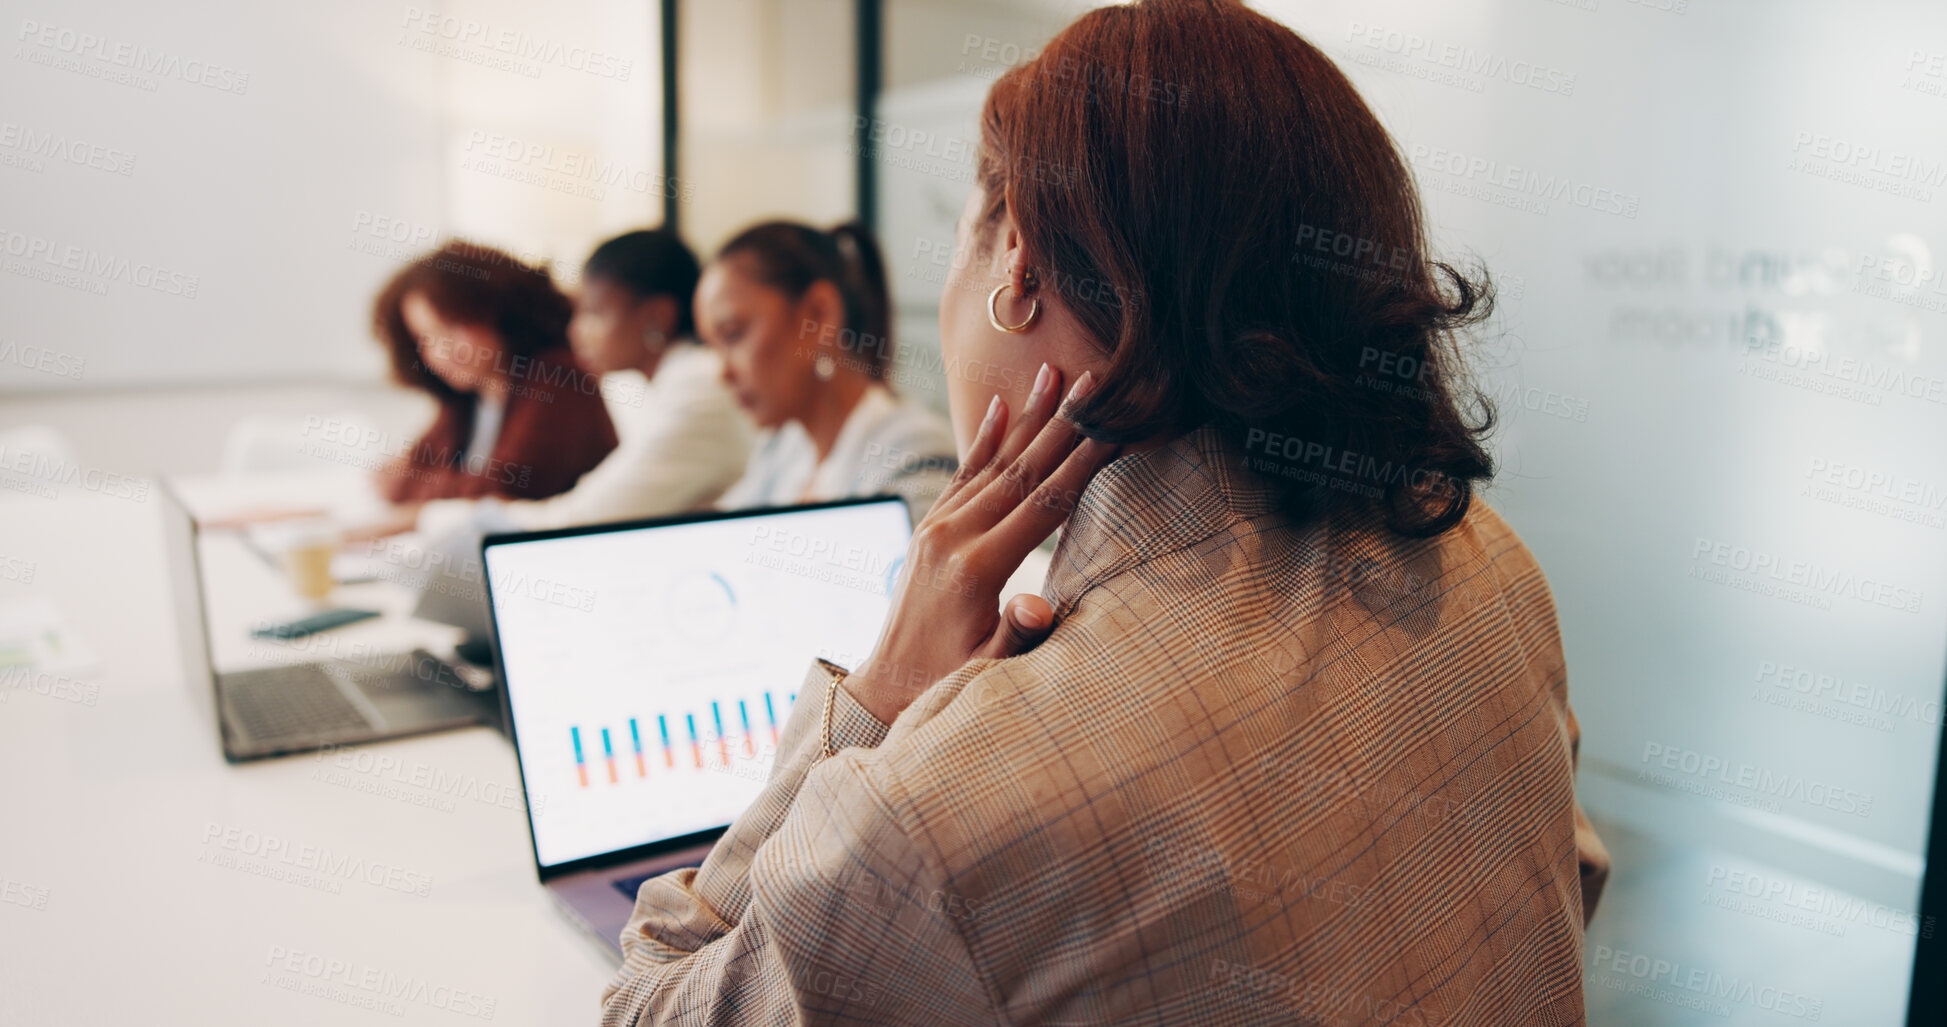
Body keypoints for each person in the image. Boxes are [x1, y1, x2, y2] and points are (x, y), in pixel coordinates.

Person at [601, 2, 1609, 1025]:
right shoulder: (1490, 567)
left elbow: (647, 1006)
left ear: (1018, 268)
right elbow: (1563, 890)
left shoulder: (941, 807)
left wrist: (881, 696)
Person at [408, 229, 753, 539]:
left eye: (595, 314)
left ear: (657, 316)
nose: (576, 332)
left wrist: (436, 516)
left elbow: (582, 517)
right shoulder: (667, 386)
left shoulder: (698, 386)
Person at [698, 220, 957, 522]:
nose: (723, 373)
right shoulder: (784, 447)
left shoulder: (917, 454)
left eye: (733, 335)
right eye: (713, 347)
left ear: (819, 314)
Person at [370, 241, 616, 507]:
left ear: (498, 311)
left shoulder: (558, 379)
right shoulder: (468, 397)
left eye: (453, 327)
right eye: (426, 339)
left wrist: (420, 490)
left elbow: (499, 490)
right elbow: (401, 477)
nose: (441, 352)